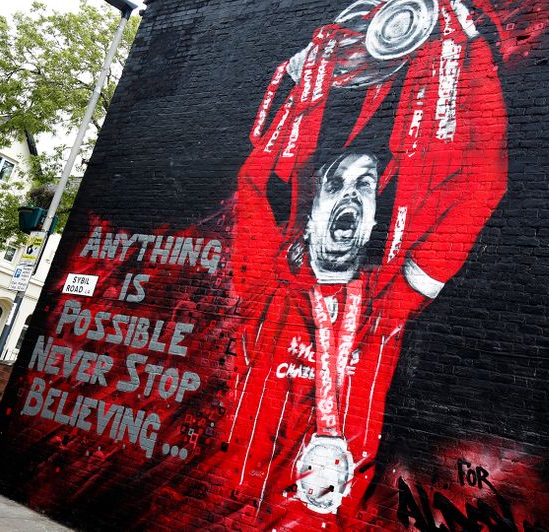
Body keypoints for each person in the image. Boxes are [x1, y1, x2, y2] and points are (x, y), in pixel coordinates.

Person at [217, 0, 509, 526]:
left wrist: (465, 44)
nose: (350, 196)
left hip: (329, 512)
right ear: (308, 214)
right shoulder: (266, 283)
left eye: (366, 186)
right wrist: (303, 80)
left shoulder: (389, 304)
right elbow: (255, 180)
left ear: (377, 218)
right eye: (335, 184)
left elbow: (484, 178)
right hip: (236, 505)